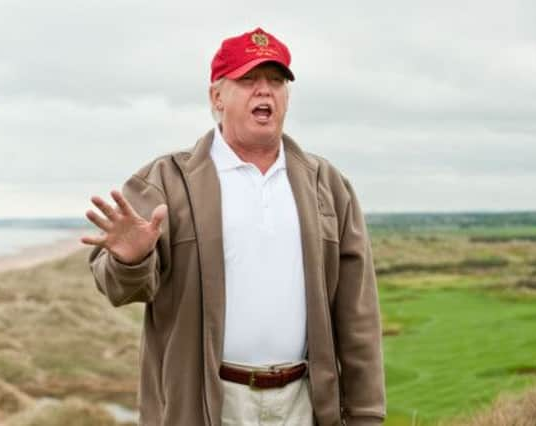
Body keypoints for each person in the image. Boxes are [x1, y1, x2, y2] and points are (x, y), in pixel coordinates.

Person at [82, 27, 385, 426]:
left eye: (276, 81)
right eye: (248, 80)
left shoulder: (327, 185)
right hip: (206, 405)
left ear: (287, 97)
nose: (265, 91)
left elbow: (357, 315)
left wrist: (366, 415)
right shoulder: (165, 181)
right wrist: (132, 260)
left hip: (304, 404)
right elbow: (117, 288)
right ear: (217, 97)